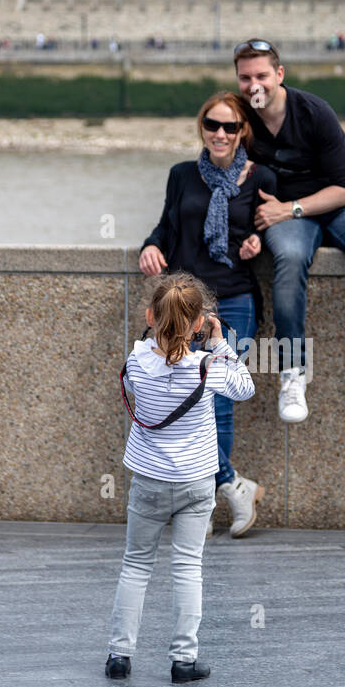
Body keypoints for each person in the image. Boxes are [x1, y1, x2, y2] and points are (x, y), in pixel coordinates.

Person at [231, 38, 345, 426]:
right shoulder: (239, 119)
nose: (253, 85)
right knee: (290, 260)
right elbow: (217, 167)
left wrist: (290, 208)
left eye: (261, 75)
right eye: (245, 78)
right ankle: (292, 374)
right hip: (285, 218)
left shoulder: (314, 112)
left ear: (280, 74)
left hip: (338, 206)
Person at [106, 273, 255, 683]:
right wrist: (218, 341)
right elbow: (246, 388)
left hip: (149, 481)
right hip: (195, 482)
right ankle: (183, 661)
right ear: (197, 324)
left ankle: (120, 656)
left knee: (135, 566)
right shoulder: (208, 367)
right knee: (188, 568)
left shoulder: (137, 362)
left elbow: (148, 353)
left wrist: (159, 330)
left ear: (151, 316)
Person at [139, 91, 275, 536]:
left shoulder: (260, 177)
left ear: (242, 133)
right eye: (211, 125)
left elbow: (275, 230)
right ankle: (229, 485)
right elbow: (166, 224)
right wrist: (152, 245)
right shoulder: (182, 175)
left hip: (234, 298)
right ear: (202, 128)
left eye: (229, 127)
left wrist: (262, 243)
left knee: (217, 401)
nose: (220, 133)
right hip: (184, 302)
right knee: (174, 391)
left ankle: (213, 492)